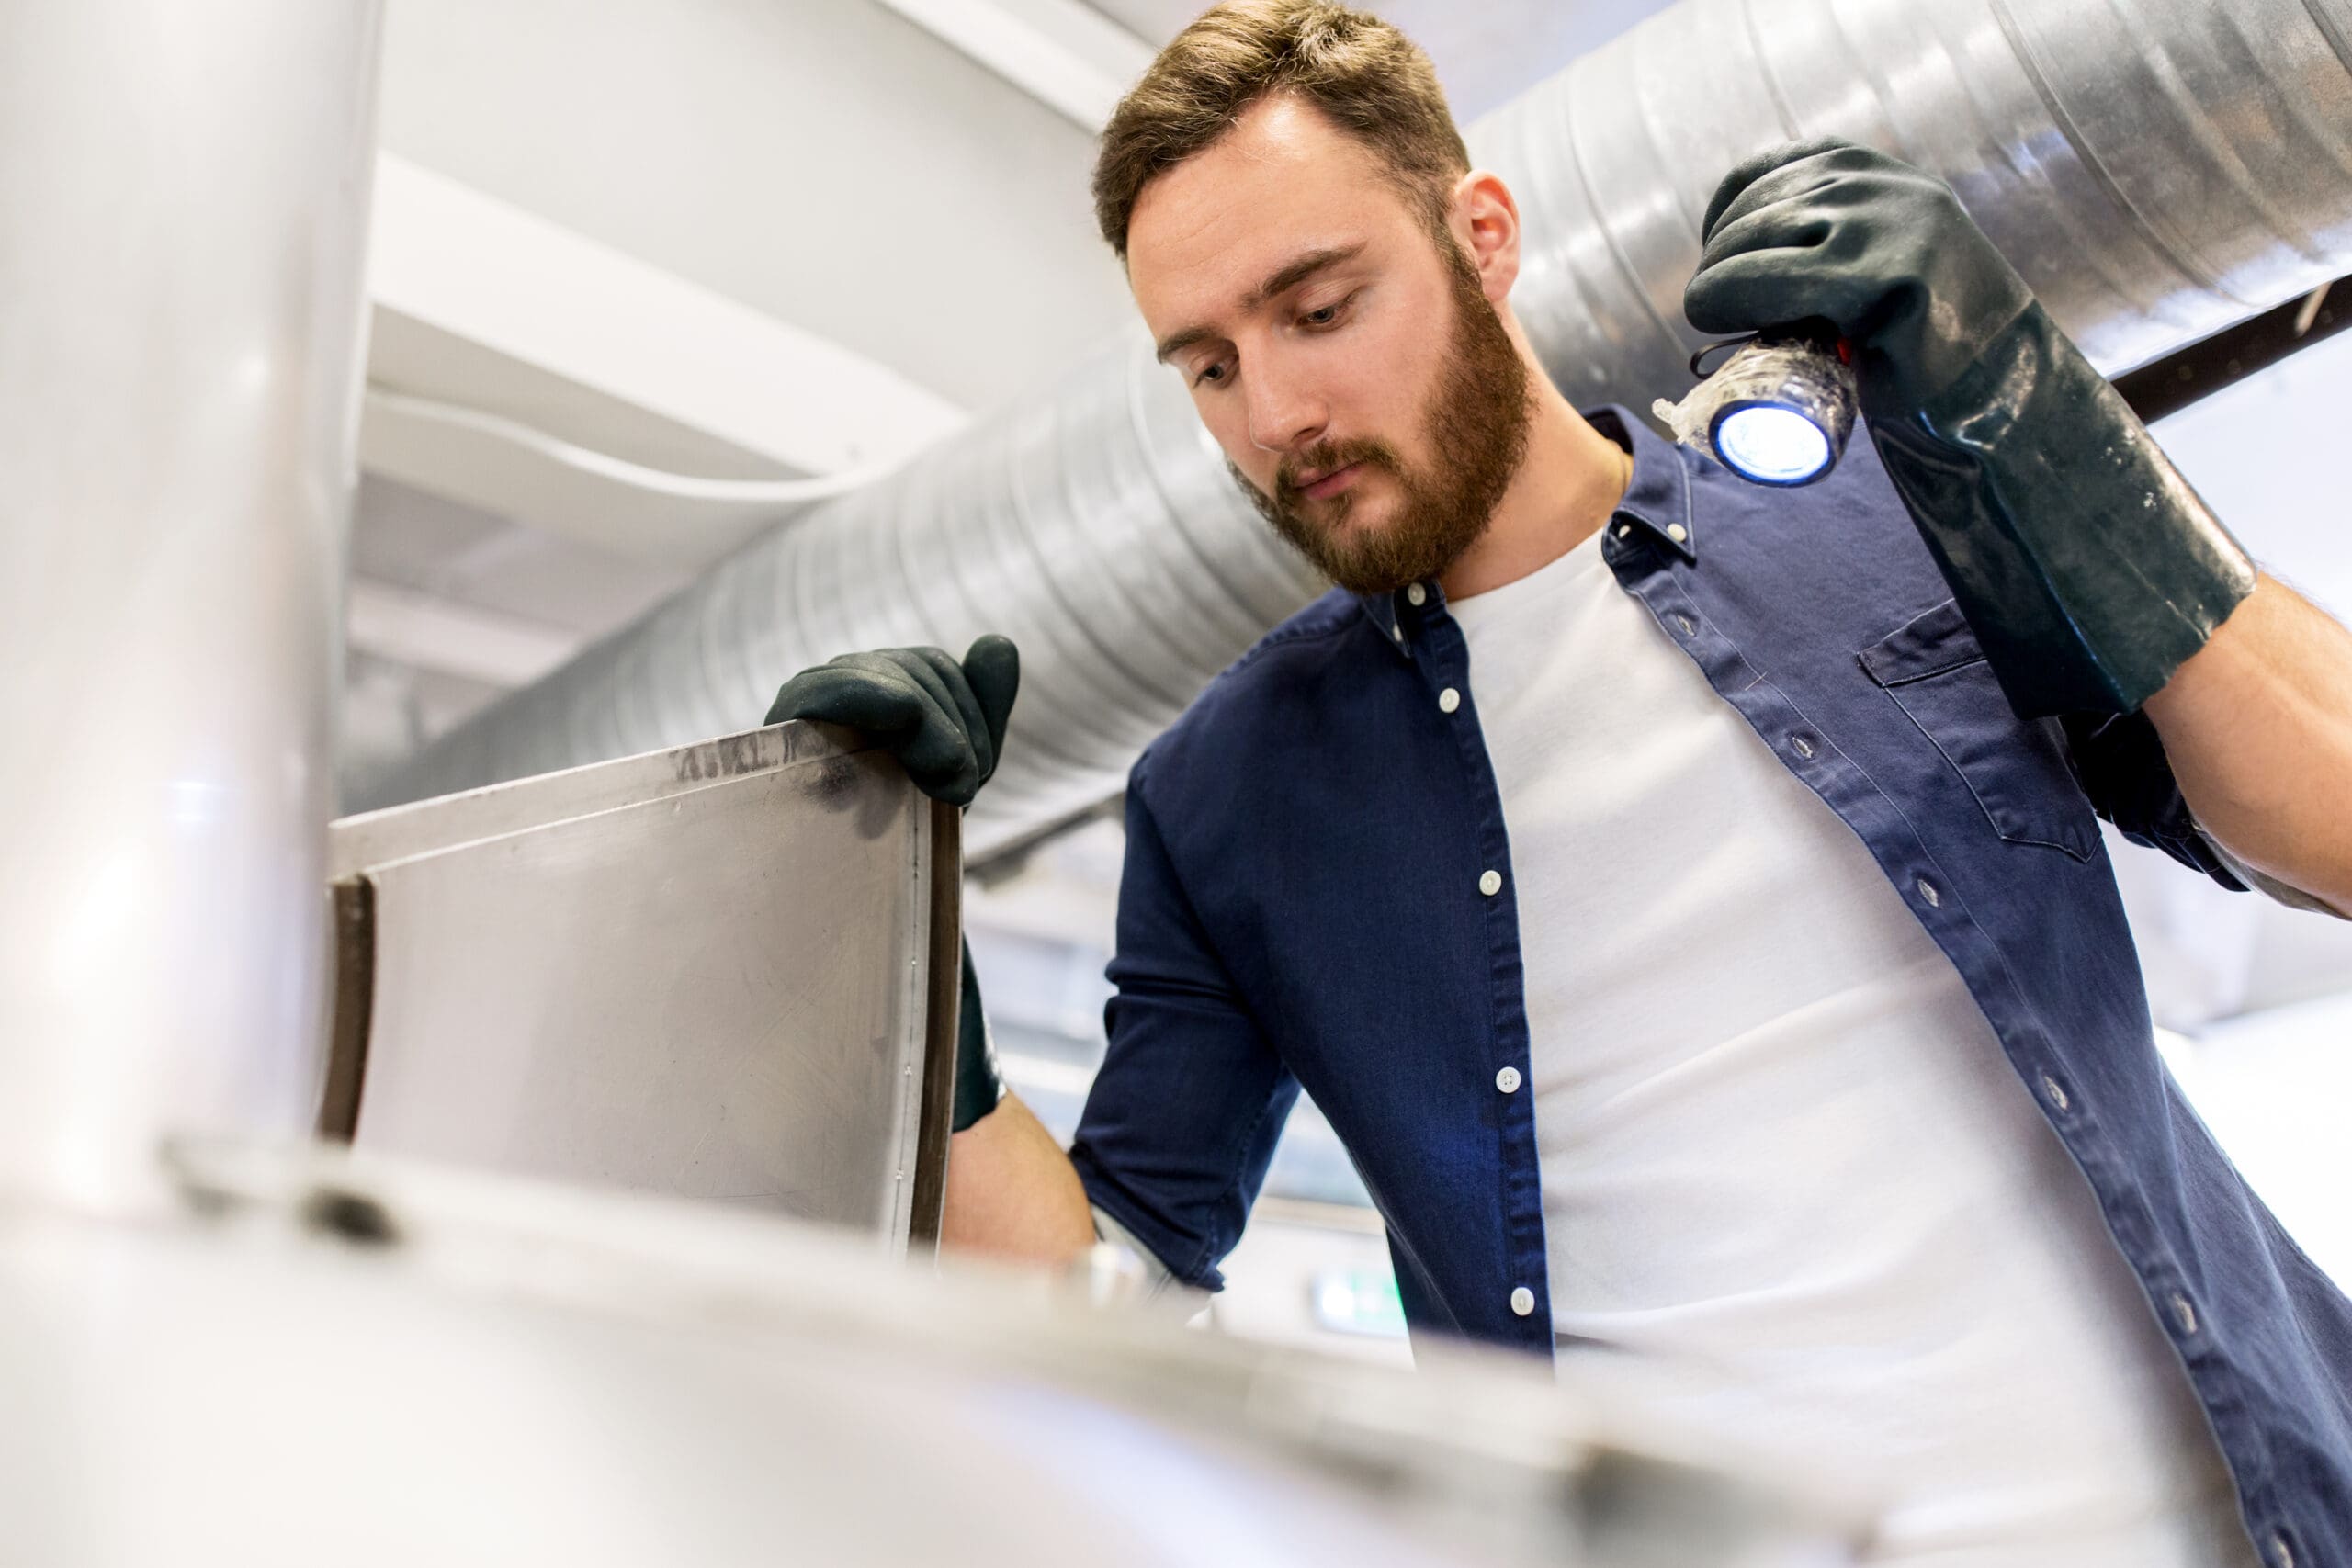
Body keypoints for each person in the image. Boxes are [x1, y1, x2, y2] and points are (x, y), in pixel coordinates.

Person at [764, 4, 2352, 1562]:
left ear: (1485, 232)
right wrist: (916, 1003)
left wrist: (2036, 419)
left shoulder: (1878, 498)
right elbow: (1109, 1295)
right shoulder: (1229, 796)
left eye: (1319, 309)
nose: (1276, 416)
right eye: (1209, 367)